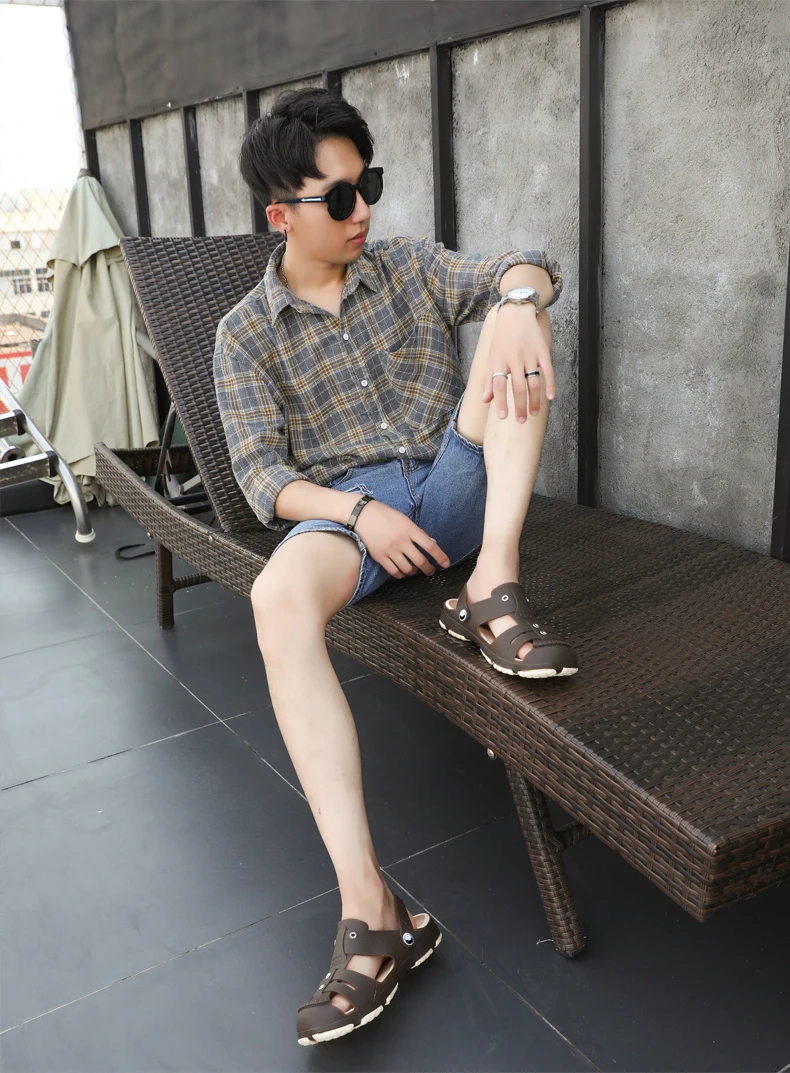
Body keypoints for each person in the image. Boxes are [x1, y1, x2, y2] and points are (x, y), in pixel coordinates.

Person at [213, 86, 578, 1046]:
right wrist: (359, 511)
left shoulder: (409, 266)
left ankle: (491, 584)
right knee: (276, 597)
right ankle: (373, 911)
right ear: (281, 215)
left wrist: (516, 301)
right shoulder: (245, 332)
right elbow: (262, 480)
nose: (362, 210)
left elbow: (526, 262)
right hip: (349, 513)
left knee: (520, 332)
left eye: (366, 184)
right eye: (338, 197)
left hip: (455, 483)